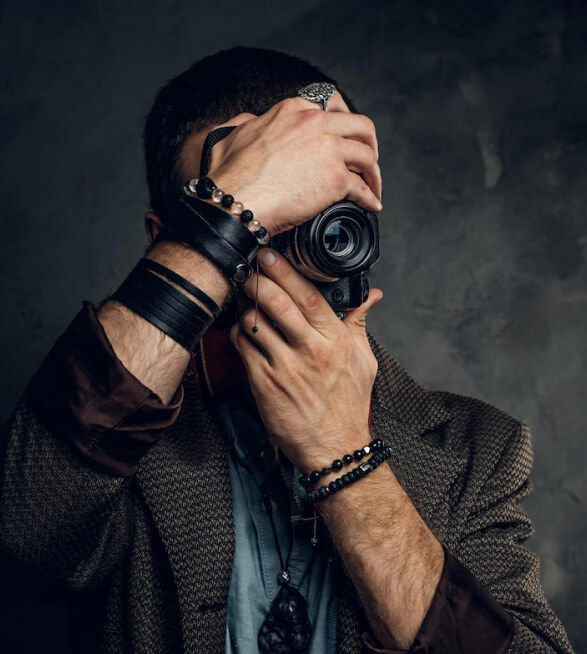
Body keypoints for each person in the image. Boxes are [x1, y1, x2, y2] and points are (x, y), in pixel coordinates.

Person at [0, 46, 575, 654]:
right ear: (163, 239)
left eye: (313, 209)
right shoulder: (119, 447)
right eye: (250, 218)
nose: (281, 247)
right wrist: (222, 219)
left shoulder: (478, 448)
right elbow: (23, 541)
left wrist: (345, 456)